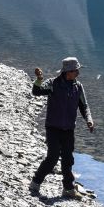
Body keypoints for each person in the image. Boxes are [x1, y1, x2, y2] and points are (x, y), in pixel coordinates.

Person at [29, 57, 95, 199]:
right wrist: (39, 78)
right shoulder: (53, 84)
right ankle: (35, 182)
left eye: (77, 70)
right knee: (52, 157)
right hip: (53, 127)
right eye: (76, 70)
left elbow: (84, 106)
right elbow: (37, 91)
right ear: (68, 72)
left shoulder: (78, 87)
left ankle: (68, 189)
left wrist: (89, 120)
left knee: (68, 159)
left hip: (68, 129)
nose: (78, 72)